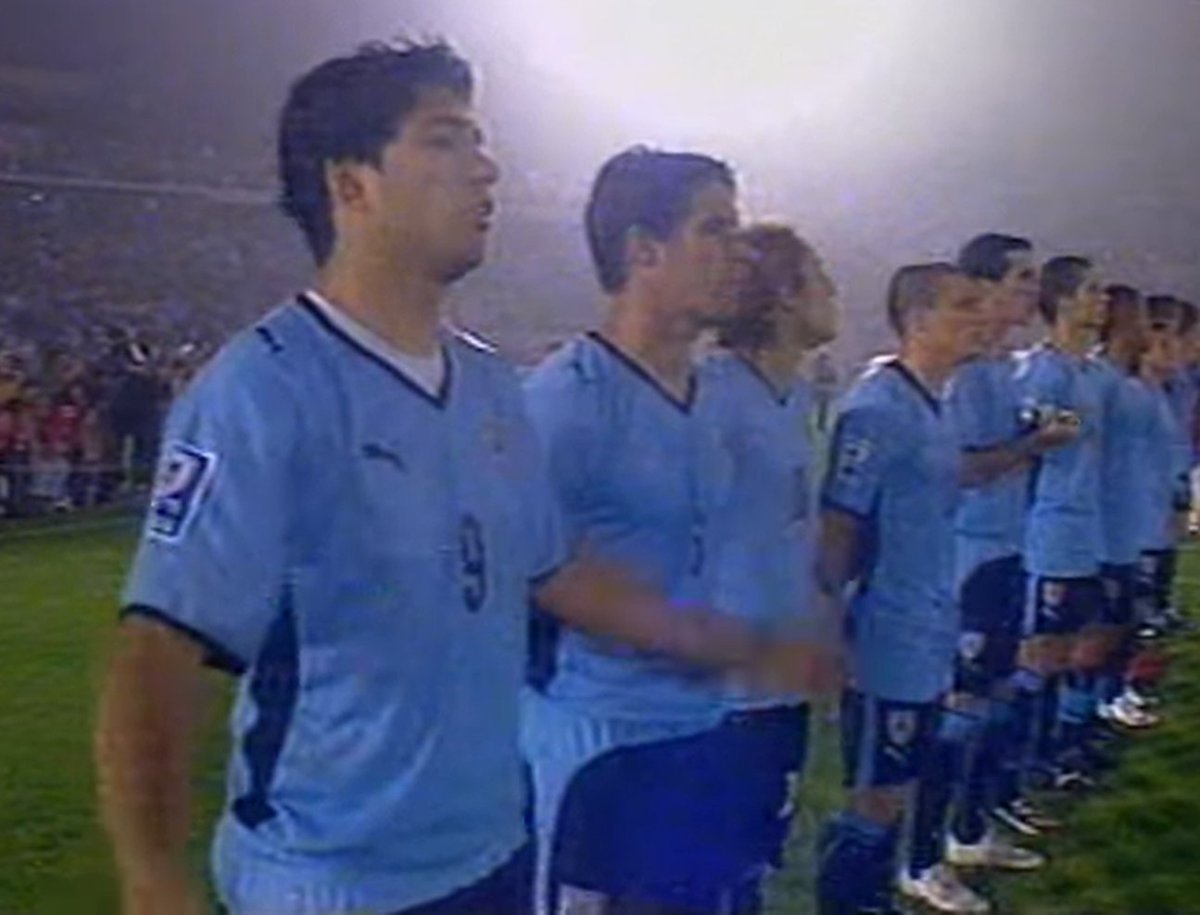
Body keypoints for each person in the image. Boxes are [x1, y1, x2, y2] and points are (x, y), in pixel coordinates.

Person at [95, 42, 802, 915]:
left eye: (480, 141)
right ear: (351, 185)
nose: (487, 168)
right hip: (335, 879)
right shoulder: (265, 388)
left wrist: (701, 634)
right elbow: (161, 647)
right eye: (446, 140)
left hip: (492, 848)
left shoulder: (491, 383)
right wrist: (154, 877)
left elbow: (548, 566)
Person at [522, 150, 827, 915]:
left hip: (704, 729)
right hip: (601, 749)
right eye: (715, 228)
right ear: (643, 250)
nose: (740, 251)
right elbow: (508, 582)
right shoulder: (566, 400)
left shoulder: (706, 399)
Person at [900, 235, 1073, 914]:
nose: (1032, 292)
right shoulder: (968, 373)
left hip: (1007, 549)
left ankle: (969, 829)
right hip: (969, 557)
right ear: (987, 287)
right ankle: (922, 859)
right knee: (960, 711)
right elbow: (966, 468)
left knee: (995, 696)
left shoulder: (1002, 368)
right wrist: (1035, 443)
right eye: (1022, 279)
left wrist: (1031, 434)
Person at [814, 263, 989, 915]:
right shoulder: (876, 407)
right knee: (875, 792)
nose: (980, 315)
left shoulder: (935, 400)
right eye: (963, 304)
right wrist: (831, 639)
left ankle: (876, 897)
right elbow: (838, 529)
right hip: (885, 634)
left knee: (902, 780)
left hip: (927, 623)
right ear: (918, 320)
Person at [704, 222, 843, 907]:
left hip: (781, 674)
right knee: (710, 865)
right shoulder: (713, 394)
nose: (833, 292)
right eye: (819, 276)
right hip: (724, 687)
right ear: (785, 297)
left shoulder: (795, 395)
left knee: (759, 854)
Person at [1013, 255, 1110, 790]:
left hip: (1087, 529)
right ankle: (1027, 763)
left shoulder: (1089, 372)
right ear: (1065, 300)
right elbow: (1040, 433)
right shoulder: (1043, 369)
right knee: (1042, 653)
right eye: (1093, 290)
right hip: (1051, 530)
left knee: (1072, 646)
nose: (1104, 300)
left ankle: (1055, 749)